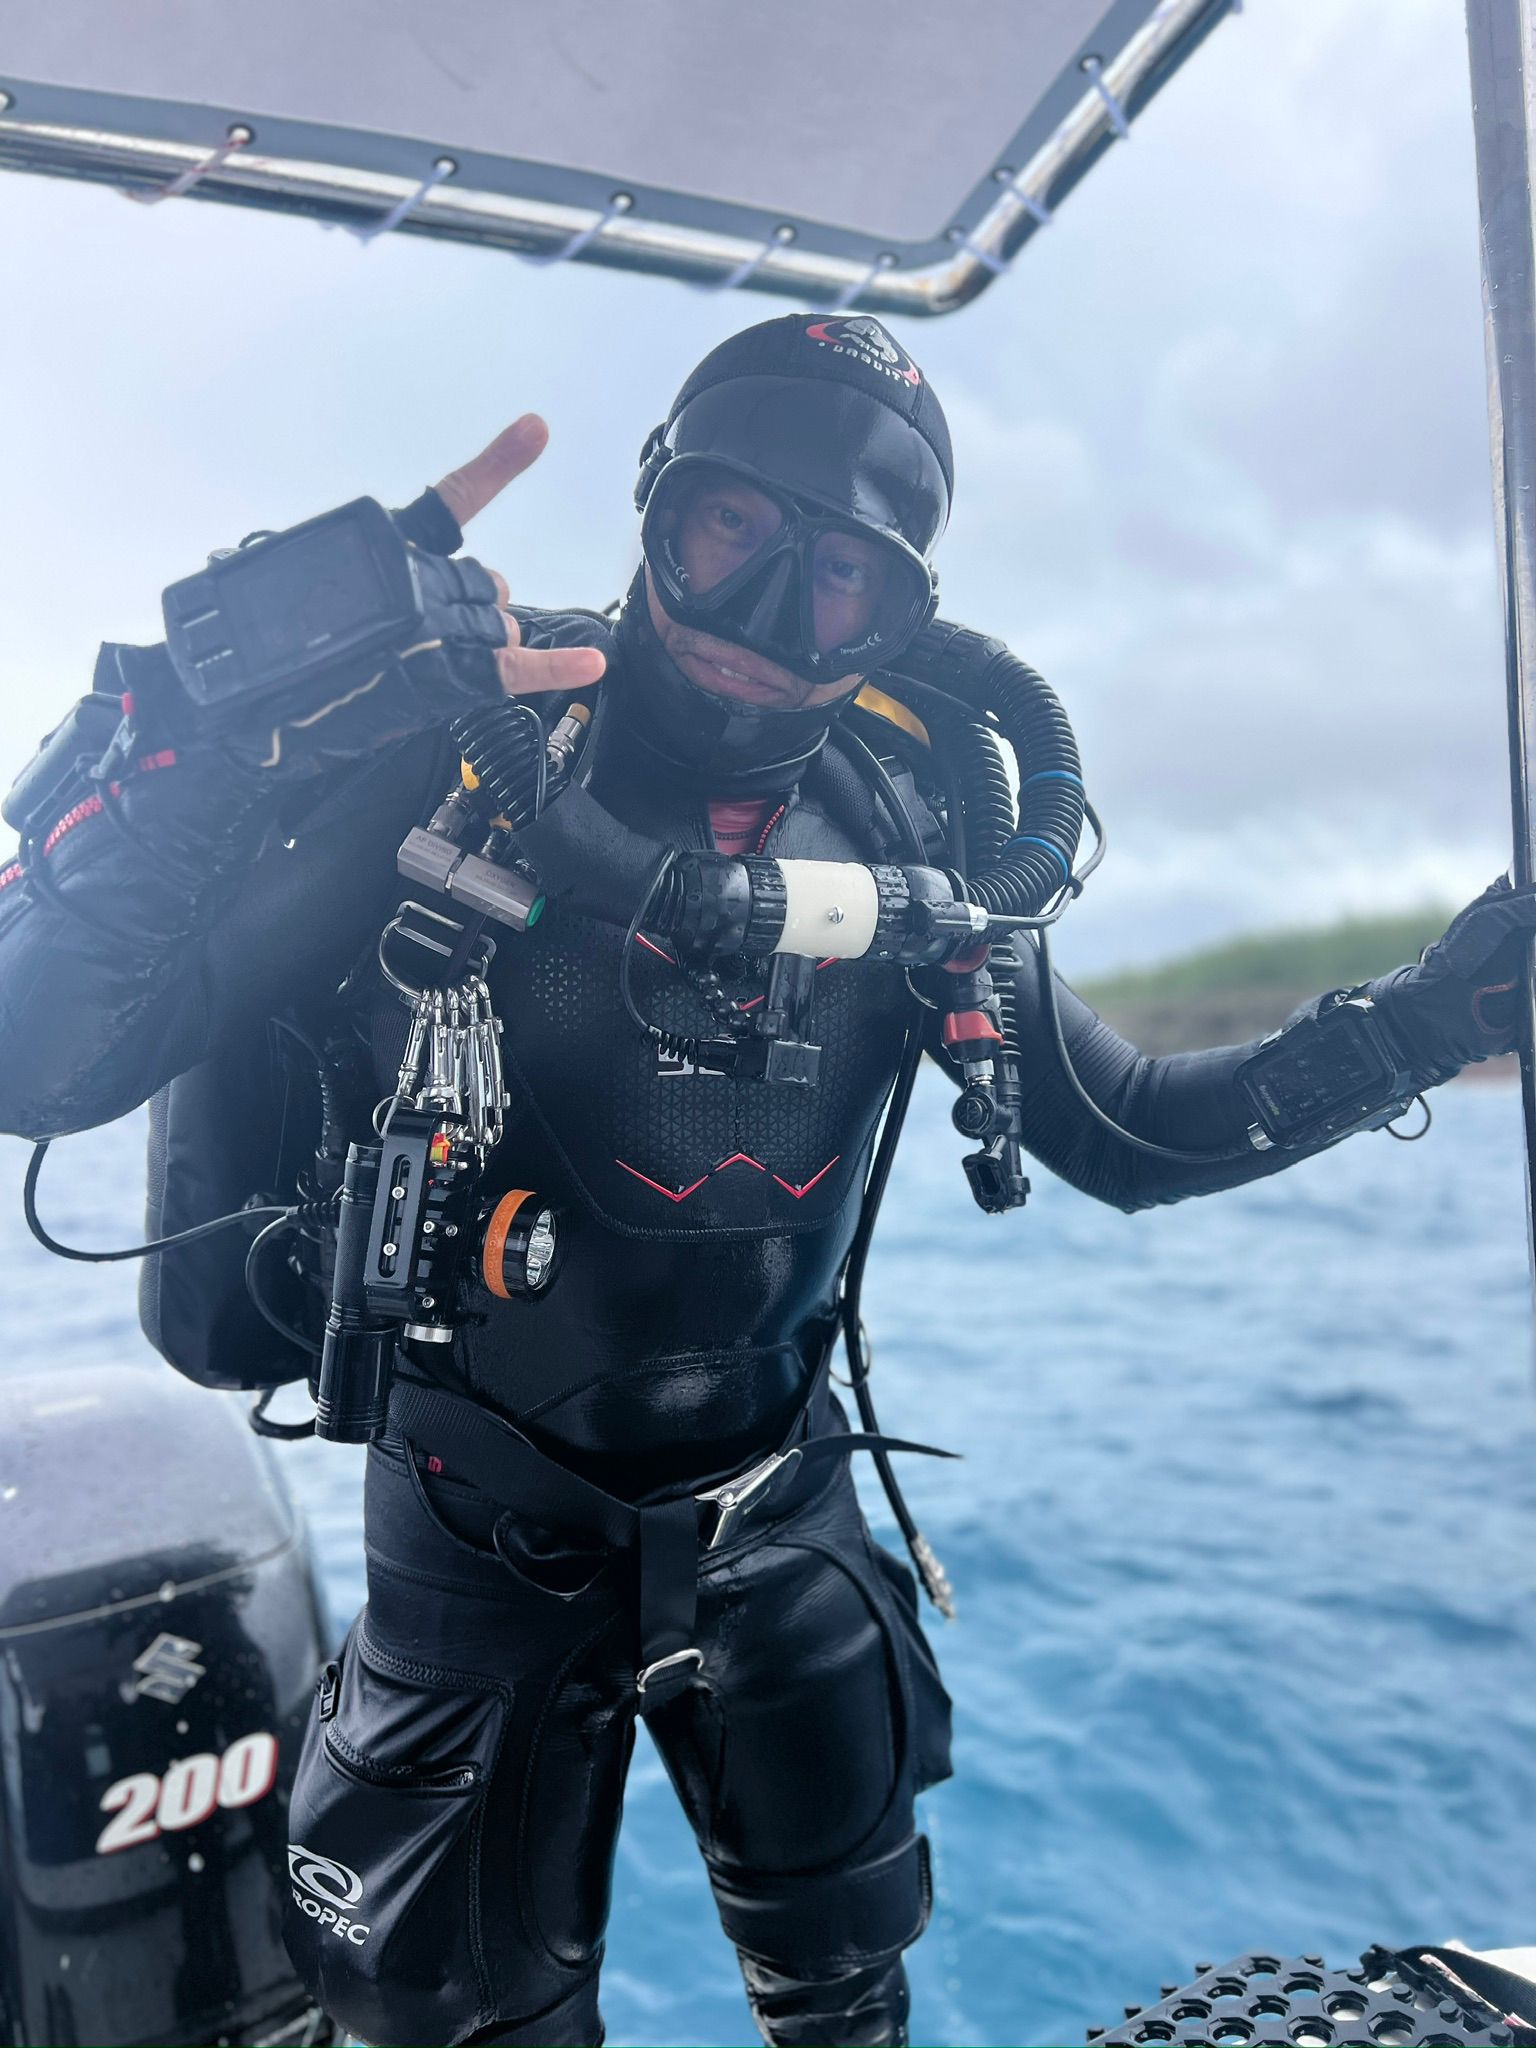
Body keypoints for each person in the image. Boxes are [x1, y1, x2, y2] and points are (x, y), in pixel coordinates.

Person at [0, 312, 1531, 2048]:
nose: (762, 625)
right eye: (728, 535)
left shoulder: (907, 837)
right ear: (657, 511)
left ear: (905, 613)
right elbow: (40, 1062)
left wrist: (1440, 1015)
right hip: (479, 1542)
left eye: (841, 583)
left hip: (779, 1520)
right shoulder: (456, 775)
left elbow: (1142, 1138)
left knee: (850, 1996)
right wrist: (187, 745)